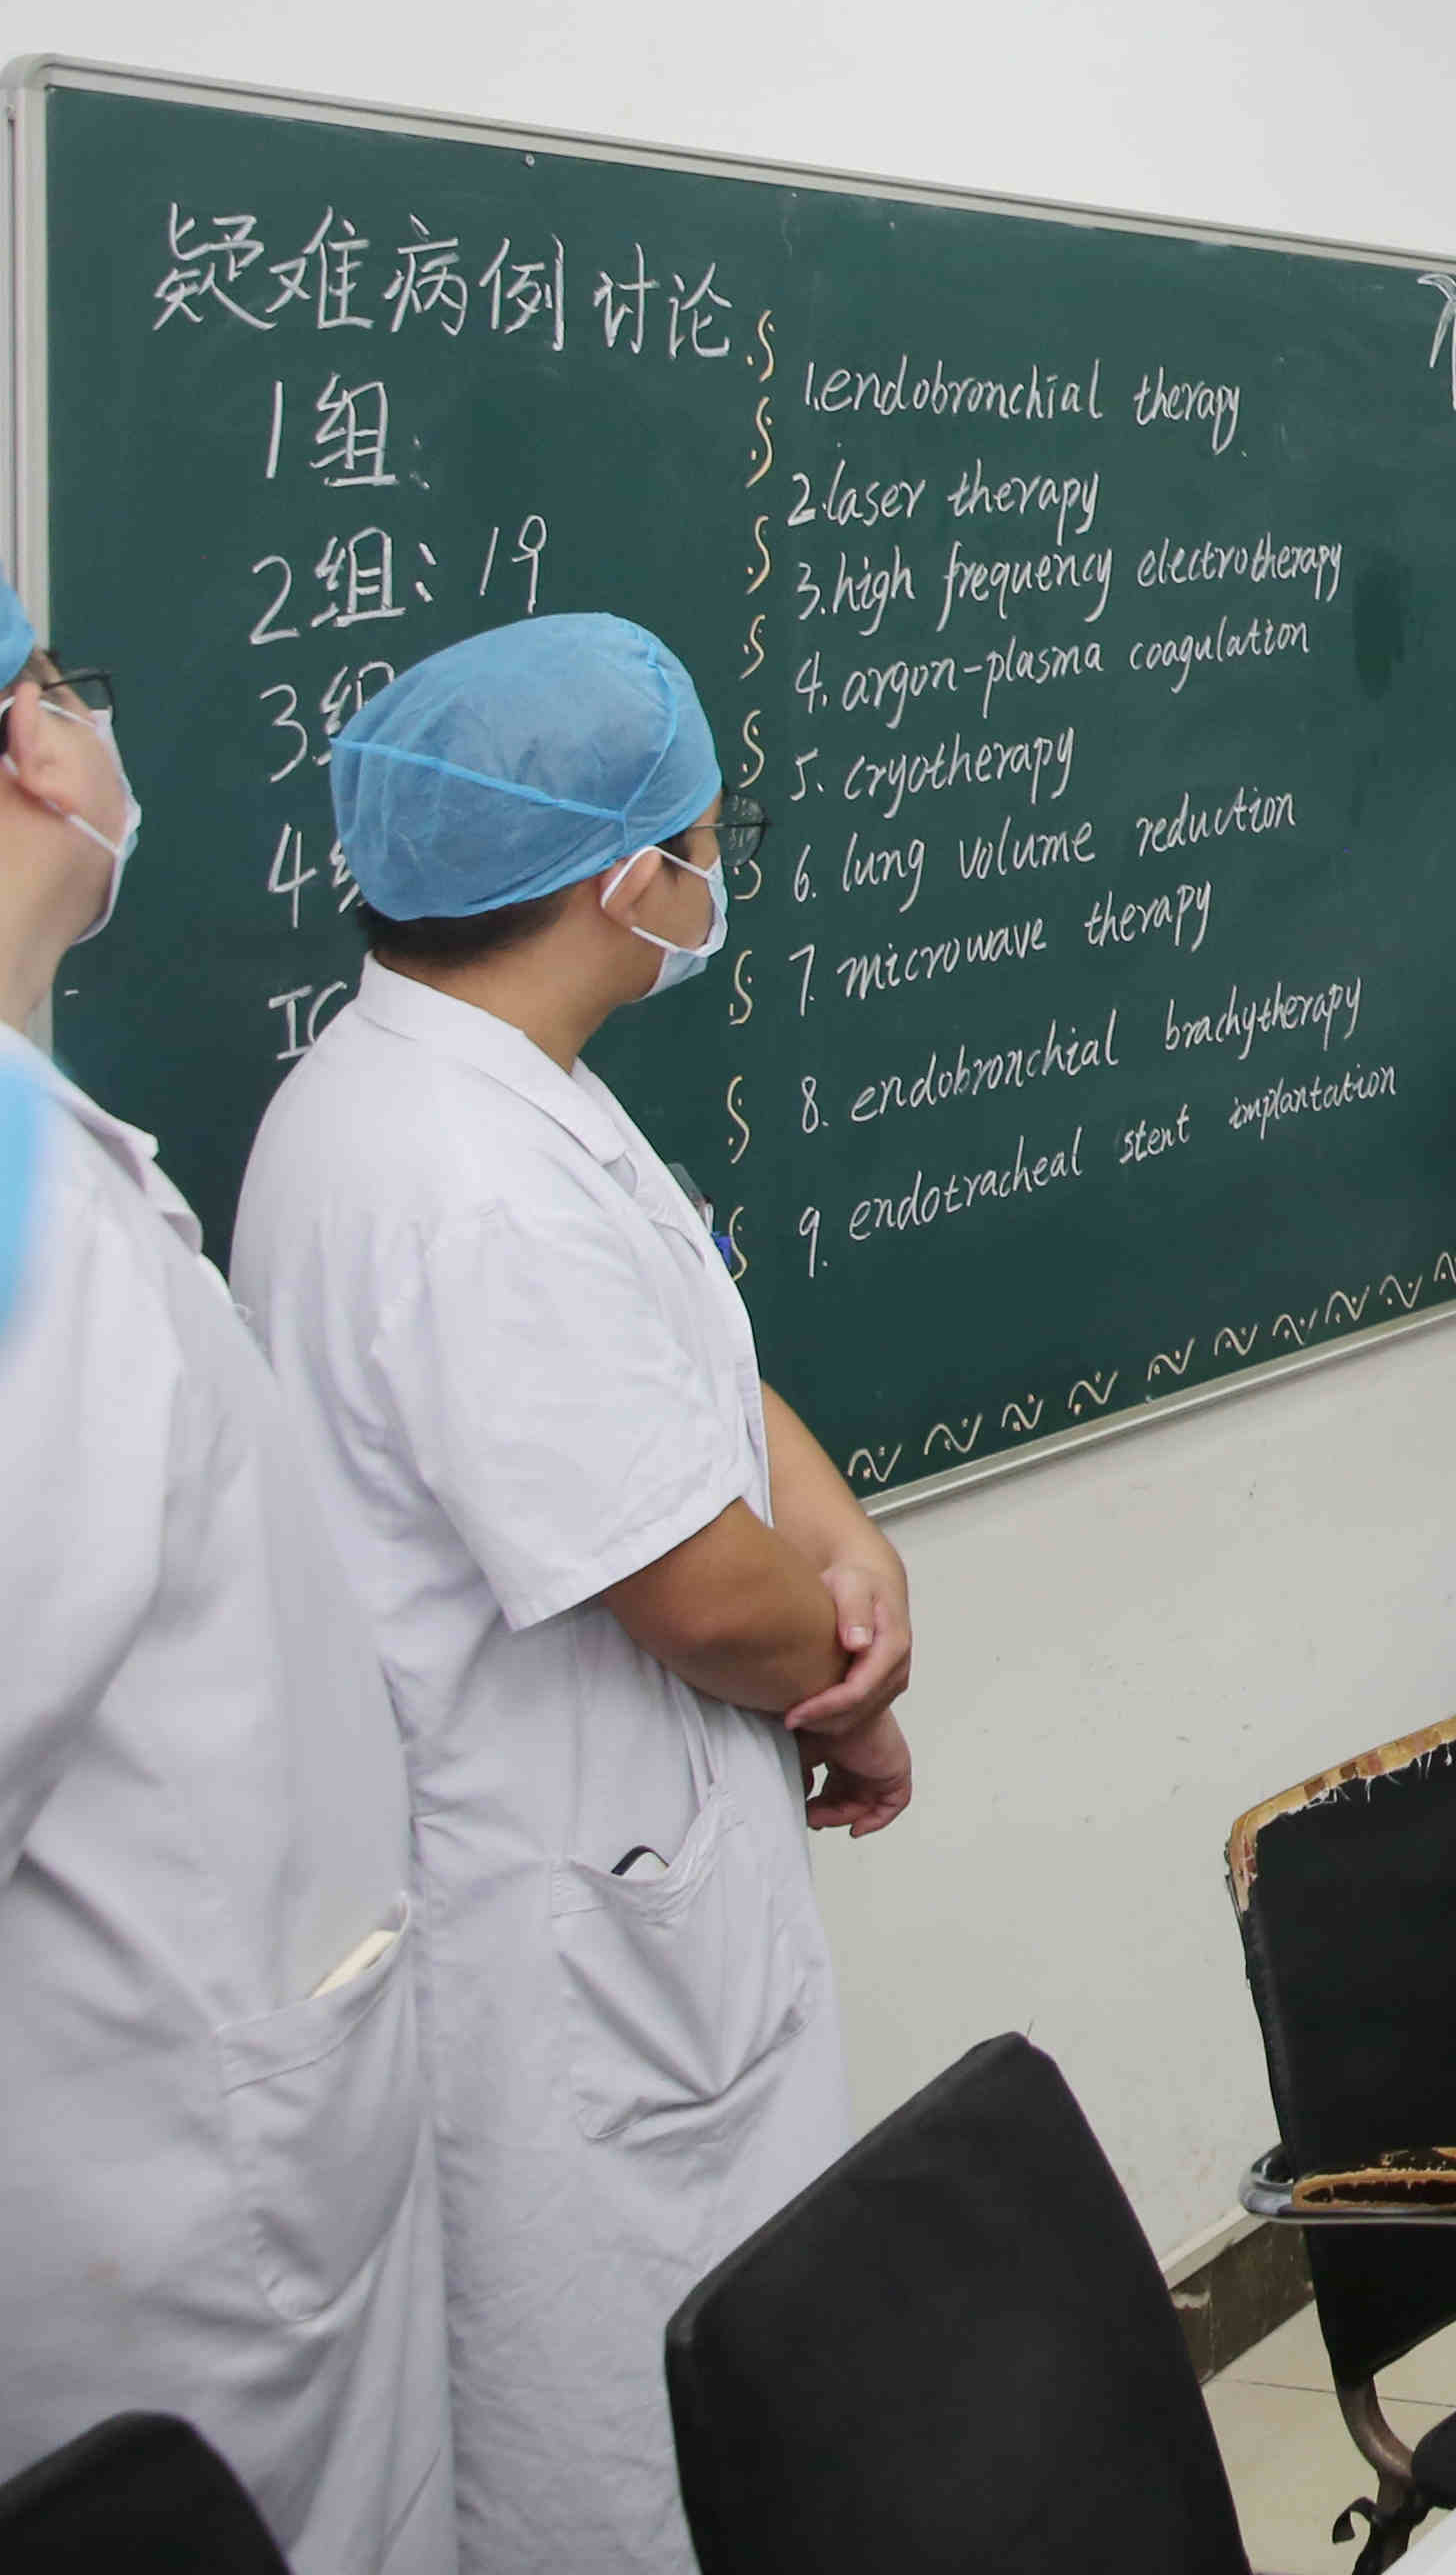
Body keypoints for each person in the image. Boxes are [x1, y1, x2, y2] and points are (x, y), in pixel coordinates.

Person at [238, 612, 914, 2575]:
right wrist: (852, 1679)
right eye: (703, 842)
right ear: (629, 886)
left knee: (737, 2401)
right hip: (559, 1937)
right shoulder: (461, 1179)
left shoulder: (496, 1081)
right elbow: (693, 1593)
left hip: (637, 1873)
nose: (715, 877)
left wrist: (846, 1539)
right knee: (625, 2462)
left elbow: (688, 1350)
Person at [0, 581, 454, 2574]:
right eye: (60, 684)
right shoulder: (31, 1233)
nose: (86, 722)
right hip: (160, 2198)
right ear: (28, 753)